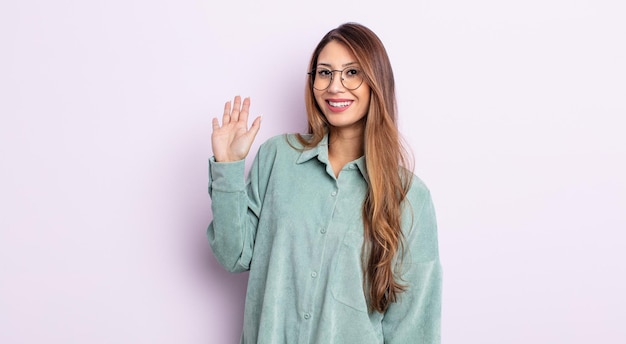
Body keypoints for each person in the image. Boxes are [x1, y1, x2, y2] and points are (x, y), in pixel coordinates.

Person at [207, 22, 441, 344]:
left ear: (376, 82)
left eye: (352, 72)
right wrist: (228, 168)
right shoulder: (277, 157)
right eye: (325, 72)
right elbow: (233, 255)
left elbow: (413, 328)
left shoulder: (411, 197)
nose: (335, 86)